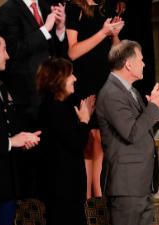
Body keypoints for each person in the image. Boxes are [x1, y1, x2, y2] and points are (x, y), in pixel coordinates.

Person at [96, 40, 159, 225]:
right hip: (126, 185)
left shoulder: (130, 91)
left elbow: (143, 130)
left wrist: (157, 109)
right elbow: (131, 132)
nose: (144, 64)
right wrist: (154, 107)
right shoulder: (111, 93)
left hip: (140, 183)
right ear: (128, 64)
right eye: (140, 59)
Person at [0, 33, 41, 225]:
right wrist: (11, 142)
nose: (8, 55)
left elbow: (8, 128)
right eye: (4, 49)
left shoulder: (0, 87)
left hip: (5, 185)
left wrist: (22, 139)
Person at [36, 57, 94, 225]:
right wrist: (85, 121)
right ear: (58, 79)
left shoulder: (61, 107)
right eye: (70, 75)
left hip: (67, 192)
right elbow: (76, 143)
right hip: (61, 192)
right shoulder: (52, 109)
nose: (75, 79)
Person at [65, 0, 124, 198]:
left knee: (100, 138)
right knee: (87, 139)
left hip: (104, 81)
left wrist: (114, 35)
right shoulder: (74, 8)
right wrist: (103, 33)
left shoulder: (106, 7)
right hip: (83, 81)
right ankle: (86, 196)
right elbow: (72, 52)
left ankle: (98, 197)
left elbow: (116, 53)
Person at [0, 0, 66, 128]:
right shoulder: (8, 10)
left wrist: (60, 28)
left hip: (51, 90)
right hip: (27, 95)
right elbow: (14, 50)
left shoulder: (46, 6)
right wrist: (45, 29)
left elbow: (54, 50)